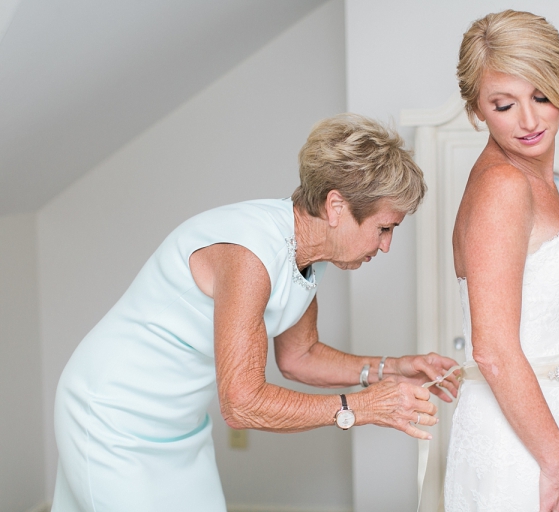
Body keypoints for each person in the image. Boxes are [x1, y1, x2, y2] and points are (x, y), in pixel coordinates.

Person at [52, 113, 460, 512]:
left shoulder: (306, 255)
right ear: (336, 206)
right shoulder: (250, 253)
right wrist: (362, 408)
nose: (385, 245)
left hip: (181, 428)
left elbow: (300, 357)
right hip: (111, 415)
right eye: (384, 228)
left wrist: (396, 368)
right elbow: (241, 402)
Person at [445, 10, 559, 512]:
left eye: (542, 96)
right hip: (517, 444)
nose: (529, 121)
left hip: (539, 423)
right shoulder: (503, 186)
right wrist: (558, 464)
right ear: (477, 110)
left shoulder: (530, 181)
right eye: (505, 104)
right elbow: (492, 349)